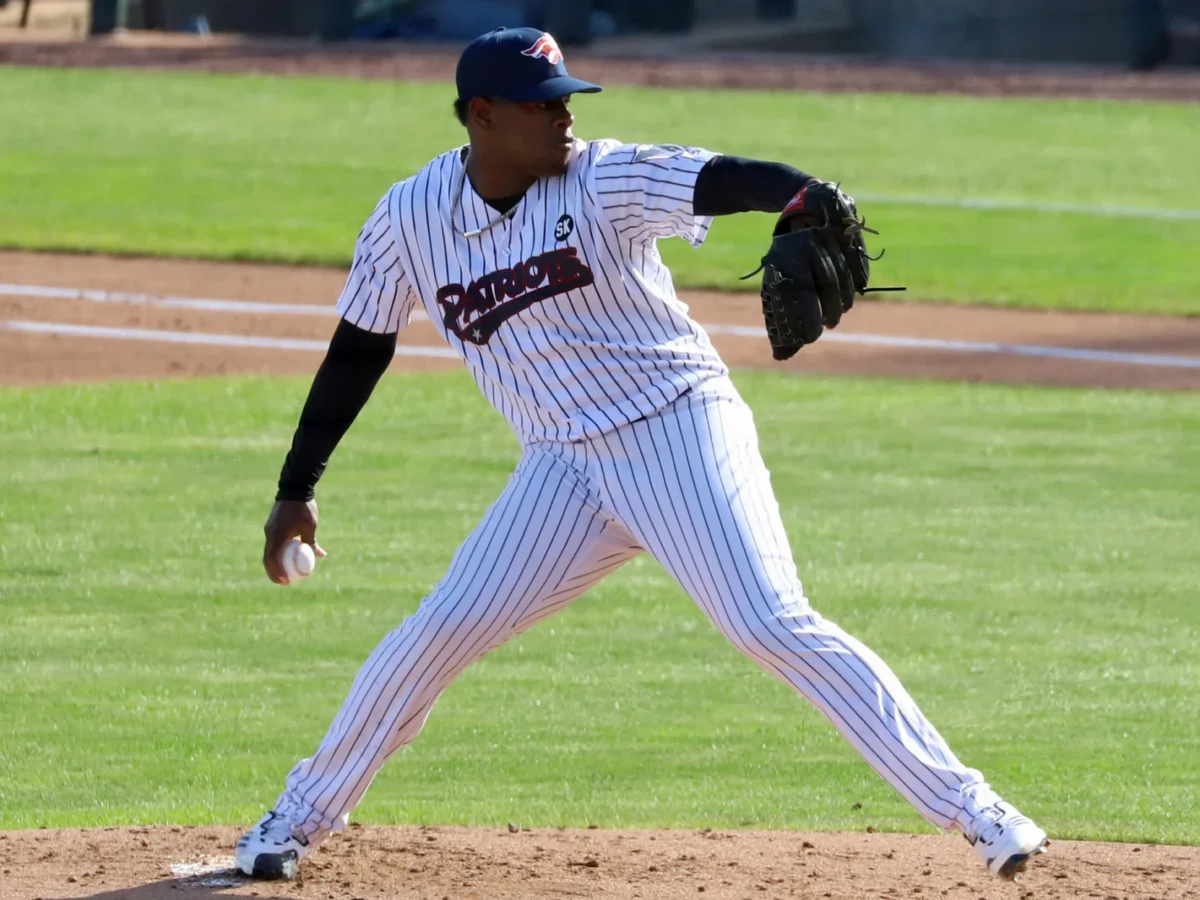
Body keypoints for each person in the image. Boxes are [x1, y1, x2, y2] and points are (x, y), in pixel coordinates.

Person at [234, 26, 1048, 884]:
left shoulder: (602, 178)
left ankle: (977, 809)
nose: (564, 118)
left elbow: (720, 177)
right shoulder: (409, 218)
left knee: (769, 622)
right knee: (438, 632)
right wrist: (297, 487)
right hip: (561, 466)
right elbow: (358, 351)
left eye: (566, 100)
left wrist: (802, 193)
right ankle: (300, 814)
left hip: (679, 429)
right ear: (483, 115)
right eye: (542, 105)